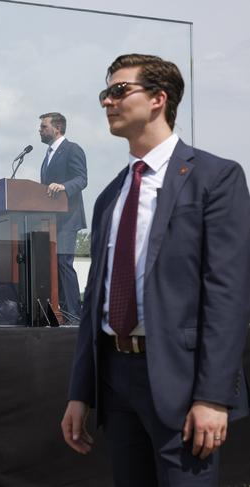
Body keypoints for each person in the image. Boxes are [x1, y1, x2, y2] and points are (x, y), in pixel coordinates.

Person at [61, 54, 250, 486]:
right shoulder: (111, 195)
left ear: (158, 99)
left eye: (119, 90)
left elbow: (228, 294)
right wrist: (80, 393)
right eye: (104, 93)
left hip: (182, 385)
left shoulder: (216, 179)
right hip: (116, 381)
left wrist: (212, 396)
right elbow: (95, 301)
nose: (107, 102)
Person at [38, 112, 87, 324]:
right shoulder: (46, 156)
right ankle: (60, 312)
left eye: (43, 126)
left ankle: (75, 315)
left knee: (63, 262)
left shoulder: (72, 149)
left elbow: (82, 179)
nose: (39, 130)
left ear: (57, 128)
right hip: (50, 220)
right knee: (52, 264)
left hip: (67, 217)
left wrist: (64, 186)